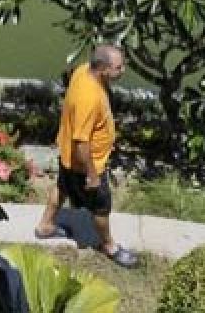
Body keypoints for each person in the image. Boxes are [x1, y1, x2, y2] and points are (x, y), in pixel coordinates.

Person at [34, 43, 138, 268]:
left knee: (62, 188)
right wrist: (92, 174)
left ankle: (45, 226)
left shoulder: (83, 71)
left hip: (67, 155)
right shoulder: (88, 98)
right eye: (118, 68)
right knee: (101, 207)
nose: (123, 70)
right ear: (103, 69)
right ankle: (109, 246)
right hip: (85, 165)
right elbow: (82, 142)